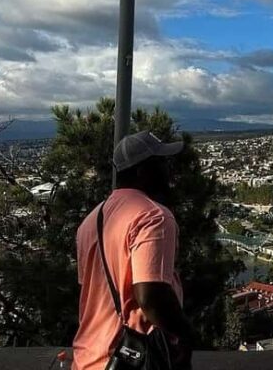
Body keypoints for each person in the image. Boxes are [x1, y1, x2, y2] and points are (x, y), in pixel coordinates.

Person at [73, 131, 194, 370]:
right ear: (143, 172)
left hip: (88, 357)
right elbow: (150, 295)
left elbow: (90, 293)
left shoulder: (89, 222)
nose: (169, 171)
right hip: (132, 359)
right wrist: (185, 335)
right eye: (161, 163)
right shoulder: (153, 216)